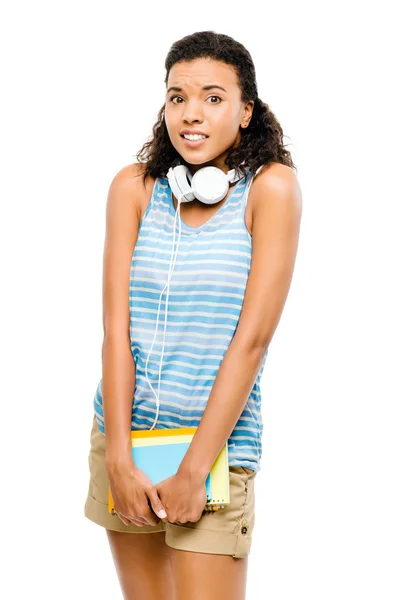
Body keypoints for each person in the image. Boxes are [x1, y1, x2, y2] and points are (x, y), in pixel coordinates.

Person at [84, 30, 302, 600]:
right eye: (177, 97)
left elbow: (251, 341)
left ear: (246, 110)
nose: (191, 113)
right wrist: (120, 458)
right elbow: (116, 332)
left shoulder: (270, 190)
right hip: (126, 443)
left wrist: (195, 471)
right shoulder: (133, 188)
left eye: (212, 96)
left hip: (216, 449)